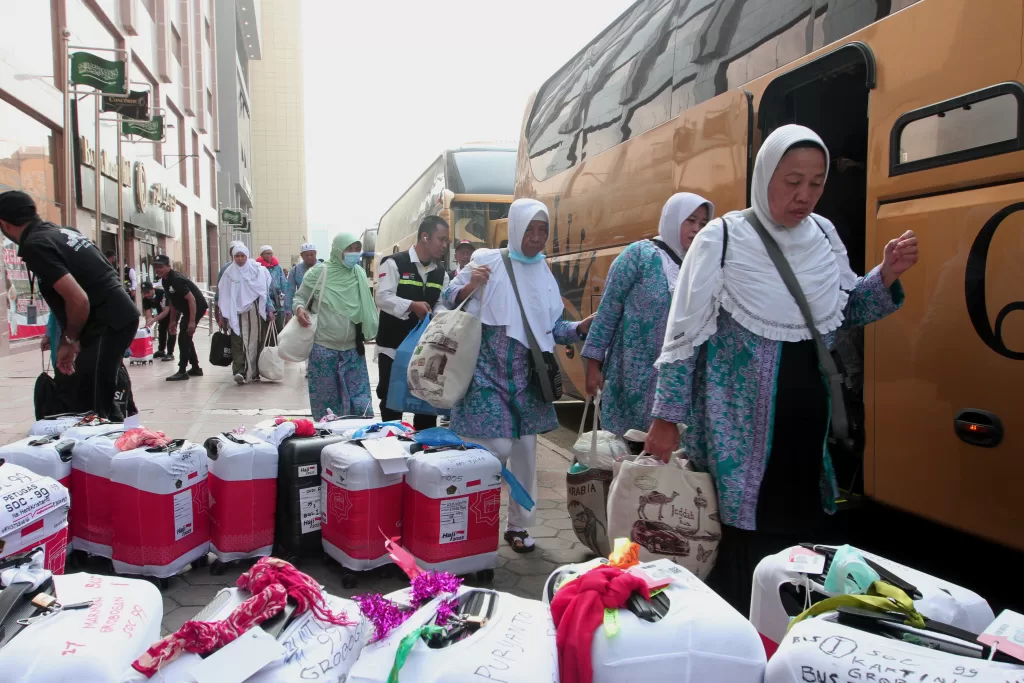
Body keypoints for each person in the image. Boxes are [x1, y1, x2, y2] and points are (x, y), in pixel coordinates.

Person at [643, 125, 918, 614]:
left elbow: (844, 312)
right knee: (741, 535)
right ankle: (734, 636)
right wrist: (665, 419)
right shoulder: (722, 238)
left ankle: (784, 631)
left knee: (798, 539)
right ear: (765, 175)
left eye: (815, 183)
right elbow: (683, 338)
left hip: (806, 430)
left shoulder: (824, 236)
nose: (804, 195)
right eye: (792, 181)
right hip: (737, 431)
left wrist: (885, 276)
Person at [442, 199, 594, 553]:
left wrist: (579, 328)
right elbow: (449, 298)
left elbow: (553, 327)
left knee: (525, 453)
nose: (537, 237)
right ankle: (470, 524)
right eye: (530, 229)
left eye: (543, 230)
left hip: (528, 377)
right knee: (488, 449)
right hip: (486, 373)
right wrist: (468, 286)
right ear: (515, 229)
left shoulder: (544, 272)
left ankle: (519, 527)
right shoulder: (487, 260)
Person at [581, 192, 713, 437]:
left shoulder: (702, 266)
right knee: (627, 458)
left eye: (703, 224)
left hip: (676, 385)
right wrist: (593, 366)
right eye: (690, 220)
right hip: (630, 378)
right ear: (674, 219)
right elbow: (608, 312)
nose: (697, 229)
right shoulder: (638, 256)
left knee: (667, 464)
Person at [0, 190, 139, 420]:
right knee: (96, 393)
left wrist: (70, 341)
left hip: (107, 322)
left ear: (4, 224)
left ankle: (104, 449)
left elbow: (78, 299)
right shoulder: (61, 232)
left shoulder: (36, 245)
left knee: (92, 405)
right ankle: (113, 439)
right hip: (115, 316)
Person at [374, 215, 450, 430]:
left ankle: (423, 452)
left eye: (447, 241)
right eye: (441, 239)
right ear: (425, 237)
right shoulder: (394, 263)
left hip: (425, 351)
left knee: (425, 404)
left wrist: (438, 314)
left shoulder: (441, 272)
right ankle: (390, 449)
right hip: (393, 348)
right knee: (391, 403)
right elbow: (382, 297)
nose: (444, 245)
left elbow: (442, 302)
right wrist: (411, 305)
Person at [293, 232, 379, 420]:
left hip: (353, 350)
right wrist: (299, 310)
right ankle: (328, 440)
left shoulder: (359, 273)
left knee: (359, 403)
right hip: (324, 349)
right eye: (349, 249)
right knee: (327, 403)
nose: (354, 254)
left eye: (357, 250)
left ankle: (353, 440)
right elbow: (300, 296)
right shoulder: (319, 272)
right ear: (338, 250)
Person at [217, 245, 274, 384]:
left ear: (247, 256)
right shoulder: (229, 273)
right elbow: (222, 294)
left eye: (243, 256)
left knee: (256, 340)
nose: (240, 259)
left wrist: (270, 309)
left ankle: (254, 372)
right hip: (235, 312)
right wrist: (221, 314)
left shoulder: (258, 270)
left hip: (255, 311)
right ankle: (239, 372)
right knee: (238, 341)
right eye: (237, 256)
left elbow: (265, 293)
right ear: (233, 257)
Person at [152, 255, 208, 381]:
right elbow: (172, 302)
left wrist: (192, 321)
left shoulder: (176, 279)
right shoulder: (165, 280)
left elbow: (191, 299)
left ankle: (182, 371)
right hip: (186, 309)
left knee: (184, 338)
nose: (158, 269)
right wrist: (172, 322)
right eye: (156, 267)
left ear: (168, 267)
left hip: (196, 307)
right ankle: (195, 368)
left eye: (161, 266)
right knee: (186, 337)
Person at [285, 242, 321, 321]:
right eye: (306, 255)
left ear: (316, 253)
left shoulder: (323, 268)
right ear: (301, 255)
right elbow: (290, 291)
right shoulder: (296, 270)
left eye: (312, 254)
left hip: (320, 308)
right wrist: (288, 310)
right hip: (302, 307)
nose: (309, 257)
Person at [141, 281, 176, 361]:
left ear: (152, 289)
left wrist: (154, 319)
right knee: (161, 328)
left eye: (148, 292)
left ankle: (170, 353)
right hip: (161, 313)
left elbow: (166, 311)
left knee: (171, 329)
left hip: (172, 311)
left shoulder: (162, 294)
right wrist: (148, 325)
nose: (146, 295)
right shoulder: (145, 299)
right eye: (144, 293)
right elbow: (148, 314)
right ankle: (161, 350)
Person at [256, 245, 287, 328]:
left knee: (280, 321)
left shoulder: (277, 267)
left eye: (271, 253)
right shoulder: (258, 267)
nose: (269, 255)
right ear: (261, 255)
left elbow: (283, 281)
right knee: (267, 321)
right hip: (265, 297)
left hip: (278, 297)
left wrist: (285, 295)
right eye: (267, 254)